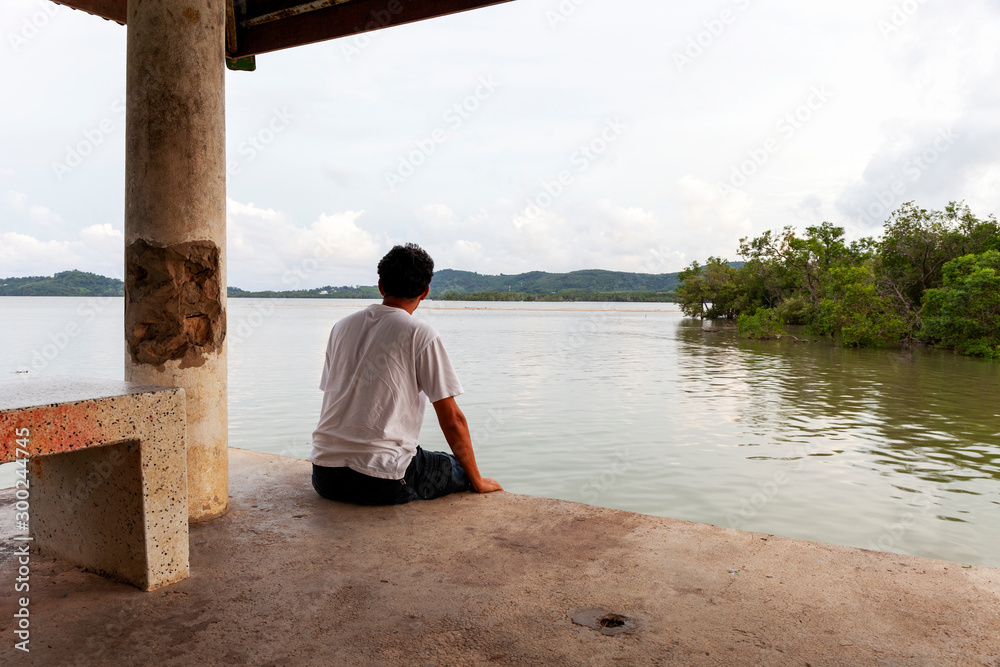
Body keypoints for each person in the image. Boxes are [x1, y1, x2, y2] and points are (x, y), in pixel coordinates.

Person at [309, 243, 503, 505]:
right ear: (425, 292)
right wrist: (477, 481)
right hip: (380, 482)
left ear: (380, 285)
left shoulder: (340, 327)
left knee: (428, 458)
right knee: (455, 466)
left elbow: (334, 394)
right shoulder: (420, 333)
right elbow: (452, 419)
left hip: (324, 476)